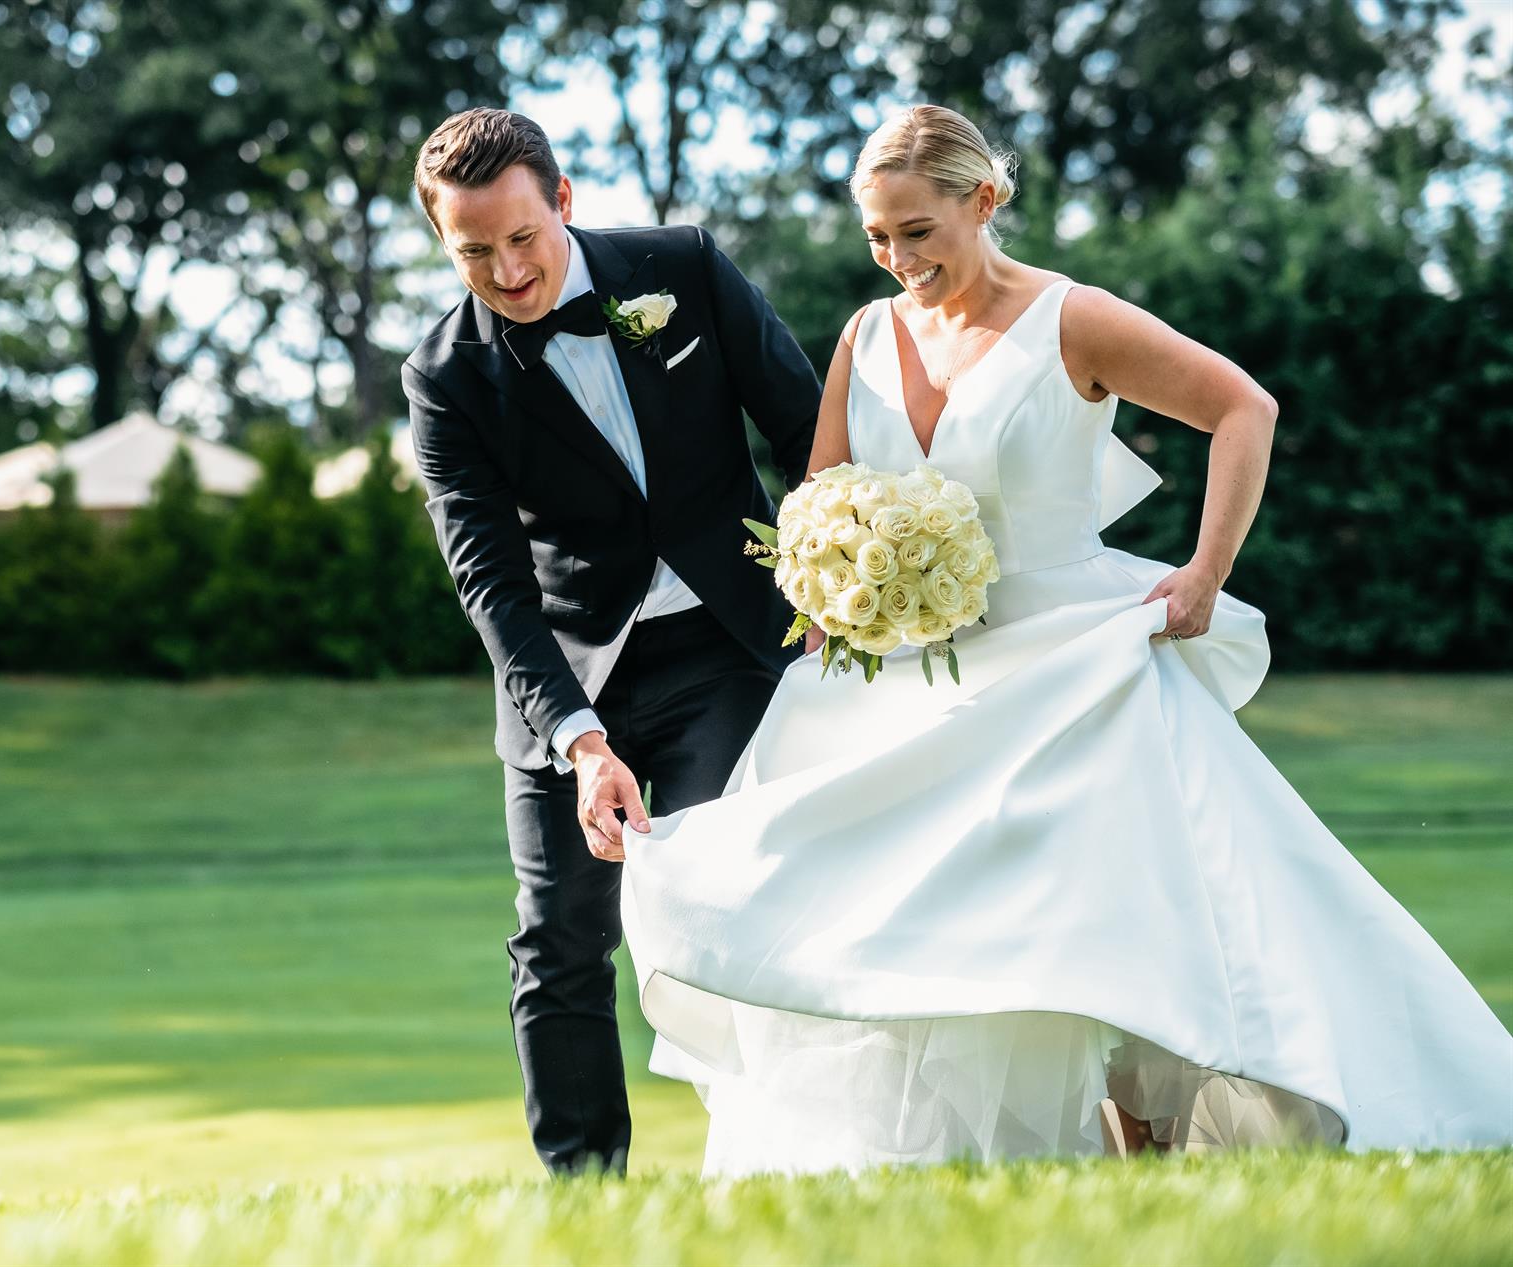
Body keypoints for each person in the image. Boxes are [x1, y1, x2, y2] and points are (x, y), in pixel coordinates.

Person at [619, 104, 1513, 1176]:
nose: (898, 258)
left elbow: (1245, 409)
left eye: (918, 231)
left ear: (983, 200)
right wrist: (827, 588)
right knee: (906, 923)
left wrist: (1206, 571)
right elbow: (823, 488)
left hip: (1074, 669)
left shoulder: (1070, 320)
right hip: (908, 685)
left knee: (1111, 924)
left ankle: (1149, 1148)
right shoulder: (865, 334)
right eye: (878, 237)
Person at [402, 108, 821, 1176]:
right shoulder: (443, 376)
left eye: (522, 238)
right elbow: (490, 581)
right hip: (564, 677)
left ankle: (787, 1161)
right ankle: (588, 1197)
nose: (507, 272)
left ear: (564, 201)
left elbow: (807, 427)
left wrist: (826, 578)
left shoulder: (681, 267)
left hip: (726, 648)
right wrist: (580, 742)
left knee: (745, 898)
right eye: (473, 252)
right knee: (558, 940)